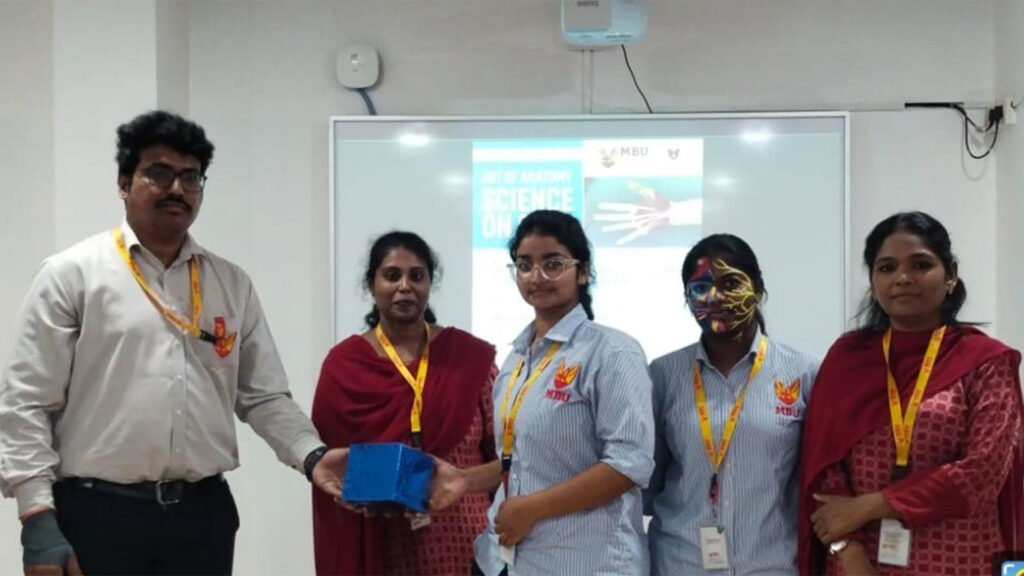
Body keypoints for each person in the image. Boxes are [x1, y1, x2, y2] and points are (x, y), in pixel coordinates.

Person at [0, 110, 347, 576]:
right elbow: (26, 403)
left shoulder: (230, 283)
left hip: (202, 517)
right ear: (124, 183)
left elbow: (263, 396)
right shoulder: (72, 275)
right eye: (159, 173)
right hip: (97, 515)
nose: (177, 189)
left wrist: (312, 455)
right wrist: (36, 516)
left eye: (191, 177)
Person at [429, 209, 654, 576]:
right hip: (505, 559)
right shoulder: (517, 358)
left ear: (583, 271)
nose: (537, 277)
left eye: (553, 264)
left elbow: (628, 464)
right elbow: (523, 458)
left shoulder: (611, 352)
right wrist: (465, 480)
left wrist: (534, 508)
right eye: (524, 265)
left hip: (585, 562)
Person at [798, 211, 1024, 575]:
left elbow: (983, 473)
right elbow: (824, 467)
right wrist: (850, 553)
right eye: (887, 268)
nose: (903, 278)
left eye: (921, 265)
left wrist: (872, 505)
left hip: (961, 561)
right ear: (873, 281)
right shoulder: (847, 359)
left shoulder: (986, 361)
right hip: (858, 563)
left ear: (950, 275)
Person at [310, 230, 497, 575]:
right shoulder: (344, 366)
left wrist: (464, 481)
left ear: (430, 283)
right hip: (382, 542)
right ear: (371, 284)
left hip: (467, 540)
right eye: (392, 275)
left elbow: (508, 460)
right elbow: (332, 466)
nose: (405, 286)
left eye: (417, 276)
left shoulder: (468, 360)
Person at [645, 234, 819, 575]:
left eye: (731, 283)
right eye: (700, 288)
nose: (716, 297)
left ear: (759, 289)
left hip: (771, 566)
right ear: (687, 298)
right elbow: (649, 480)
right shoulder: (663, 375)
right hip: (681, 563)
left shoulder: (803, 372)